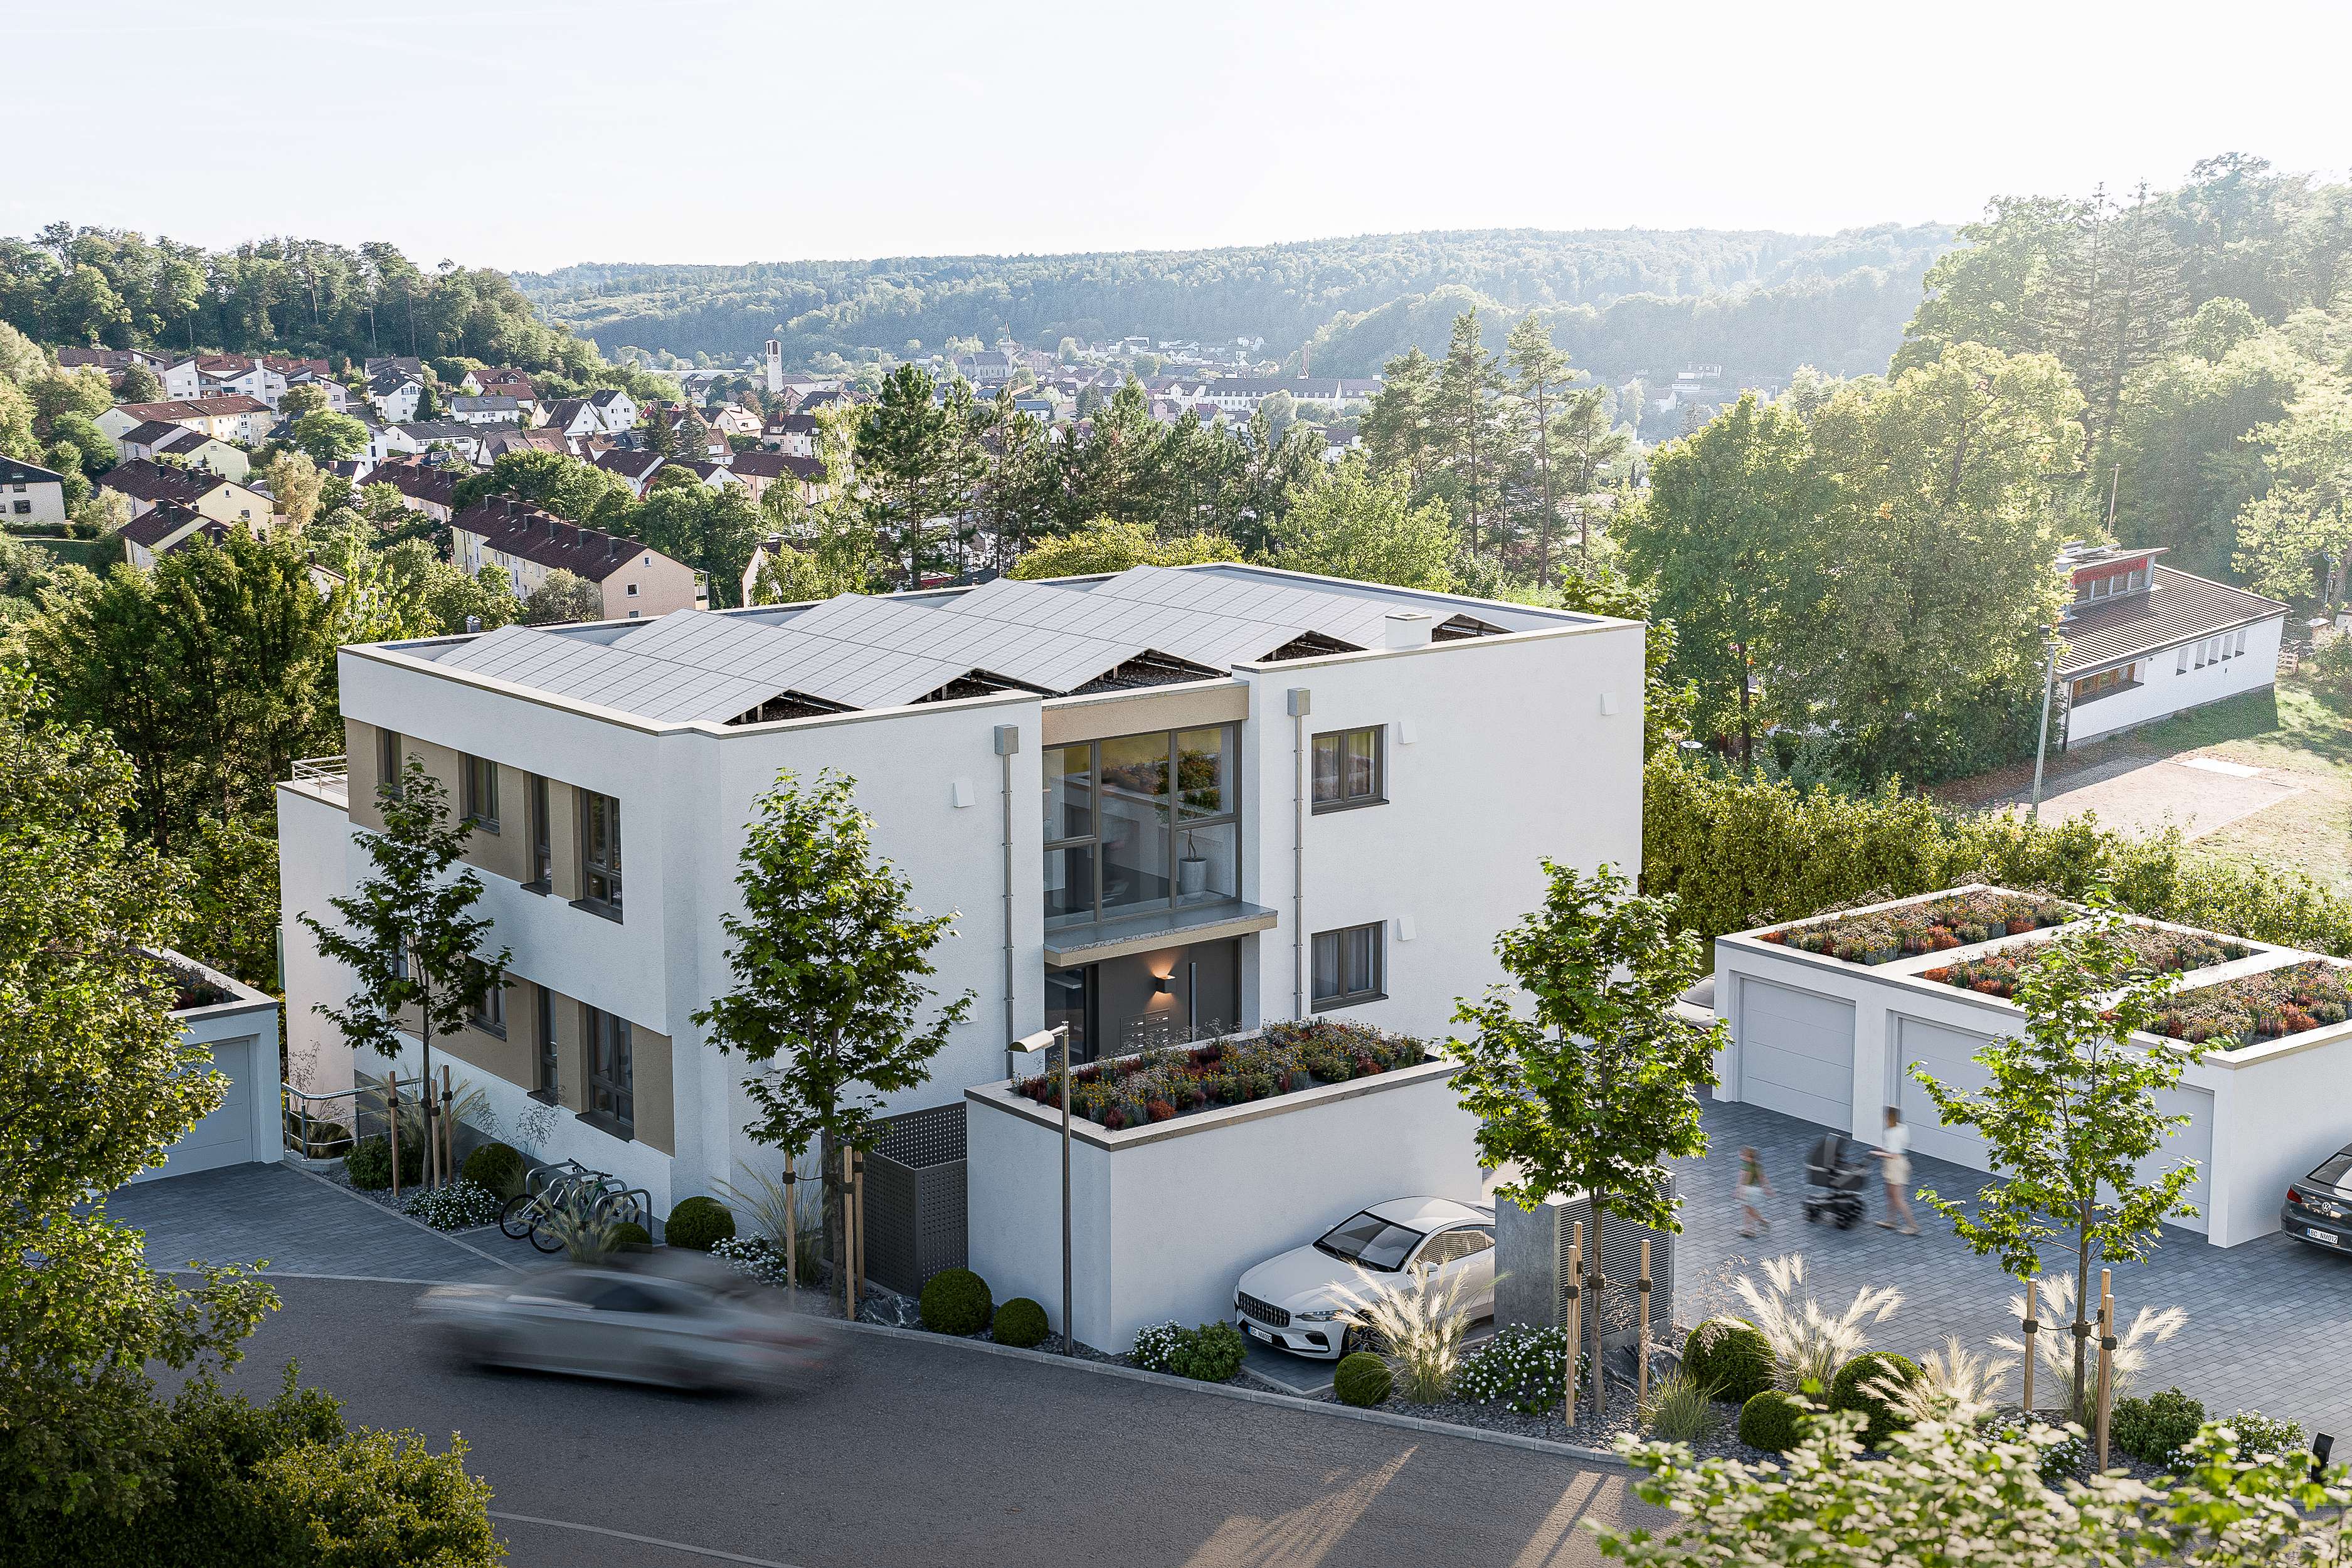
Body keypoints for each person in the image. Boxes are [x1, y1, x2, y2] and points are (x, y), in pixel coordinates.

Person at [1875, 1105, 1919, 1234]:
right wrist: (1884, 1149)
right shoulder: (1903, 1128)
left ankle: (1913, 1226)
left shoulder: (1890, 1132)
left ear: (1889, 1117)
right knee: (1890, 1194)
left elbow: (1893, 1154)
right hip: (1901, 1162)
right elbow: (1904, 1145)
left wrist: (1879, 1153)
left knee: (1898, 1197)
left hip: (1895, 1166)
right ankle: (1891, 1221)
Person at [1737, 1145, 1774, 1238]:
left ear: (1748, 1156)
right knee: (1749, 1209)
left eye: (1744, 1154)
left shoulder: (1747, 1166)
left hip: (1748, 1190)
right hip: (1756, 1190)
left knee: (1748, 1210)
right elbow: (1763, 1178)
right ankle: (1750, 1228)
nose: (1742, 1156)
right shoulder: (1757, 1166)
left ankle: (1754, 1228)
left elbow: (1745, 1179)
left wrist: (1739, 1190)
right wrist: (1767, 1189)